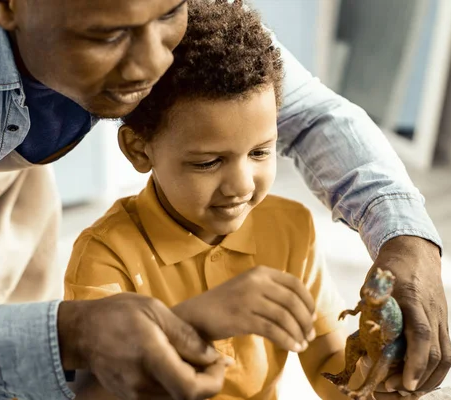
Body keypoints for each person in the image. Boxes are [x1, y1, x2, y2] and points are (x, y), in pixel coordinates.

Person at [0, 0, 451, 398]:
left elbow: (310, 115)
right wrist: (72, 332)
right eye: (105, 34)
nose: (151, 67)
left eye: (168, 14)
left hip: (11, 192)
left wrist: (408, 240)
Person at [64, 1, 349, 398]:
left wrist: (370, 379)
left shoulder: (292, 229)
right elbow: (93, 389)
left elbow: (325, 356)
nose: (241, 185)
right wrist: (195, 322)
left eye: (261, 152)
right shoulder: (105, 258)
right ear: (139, 149)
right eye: (209, 162)